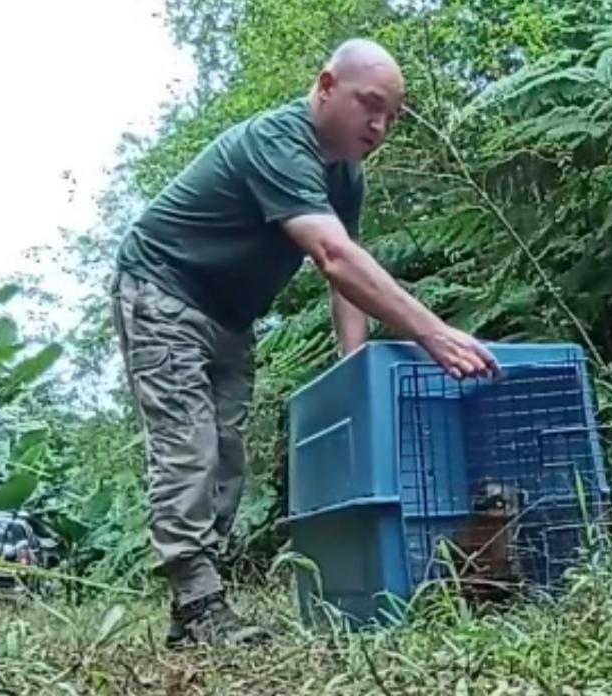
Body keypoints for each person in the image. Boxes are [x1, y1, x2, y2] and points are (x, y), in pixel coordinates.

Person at [109, 37, 499, 648]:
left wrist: (355, 368)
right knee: (190, 448)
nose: (380, 125)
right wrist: (433, 332)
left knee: (228, 458)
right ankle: (197, 603)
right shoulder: (278, 141)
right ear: (325, 87)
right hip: (162, 290)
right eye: (370, 105)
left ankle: (198, 607)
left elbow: (345, 277)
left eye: (392, 116)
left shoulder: (346, 179)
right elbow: (334, 256)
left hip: (232, 318)